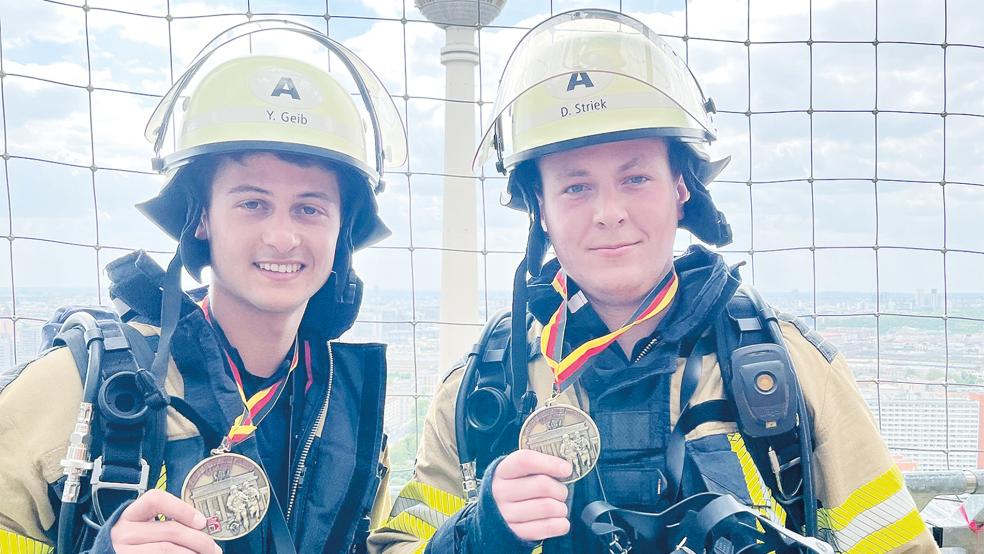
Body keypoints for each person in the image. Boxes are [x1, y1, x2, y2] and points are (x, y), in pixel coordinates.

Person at [369, 9, 937, 553]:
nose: (609, 212)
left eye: (636, 177)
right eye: (575, 187)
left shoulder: (786, 372)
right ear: (540, 209)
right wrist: (479, 532)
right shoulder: (482, 391)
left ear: (681, 189)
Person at [0, 20, 406, 554]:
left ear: (342, 234)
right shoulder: (79, 387)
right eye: (252, 203)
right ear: (200, 219)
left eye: (310, 209)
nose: (282, 237)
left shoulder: (349, 406)